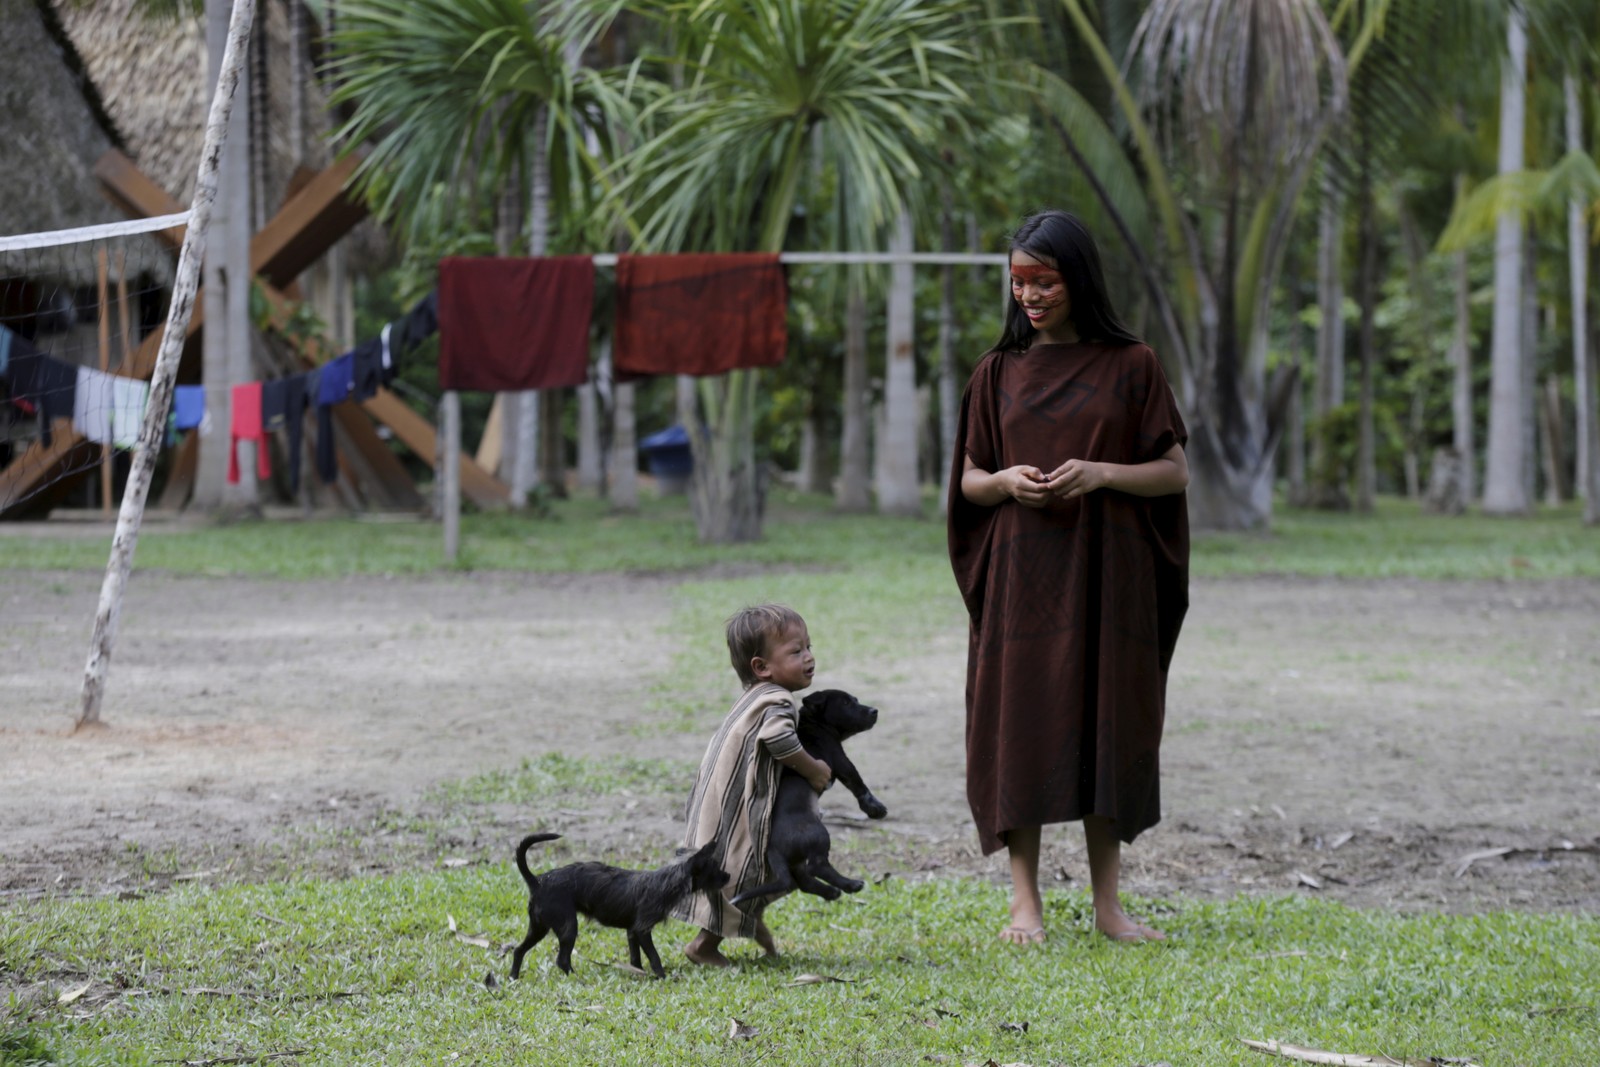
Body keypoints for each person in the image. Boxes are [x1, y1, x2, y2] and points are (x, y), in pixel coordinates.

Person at [947, 209, 1190, 946]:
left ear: (1077, 279)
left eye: (1043, 280)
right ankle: (1025, 903)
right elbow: (967, 480)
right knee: (1020, 721)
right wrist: (1006, 482)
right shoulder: (996, 372)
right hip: (1024, 576)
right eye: (1019, 281)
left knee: (1105, 723)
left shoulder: (1134, 365)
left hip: (1108, 576)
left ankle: (1108, 906)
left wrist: (1102, 473)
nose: (1029, 295)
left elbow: (1174, 473)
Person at [677, 603, 834, 966]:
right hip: (738, 814)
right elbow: (779, 741)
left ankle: (750, 924)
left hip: (717, 805)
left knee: (754, 871)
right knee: (745, 872)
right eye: (796, 652)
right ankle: (704, 947)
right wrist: (812, 770)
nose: (809, 657)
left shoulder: (754, 697)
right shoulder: (777, 700)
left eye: (809, 647)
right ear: (762, 668)